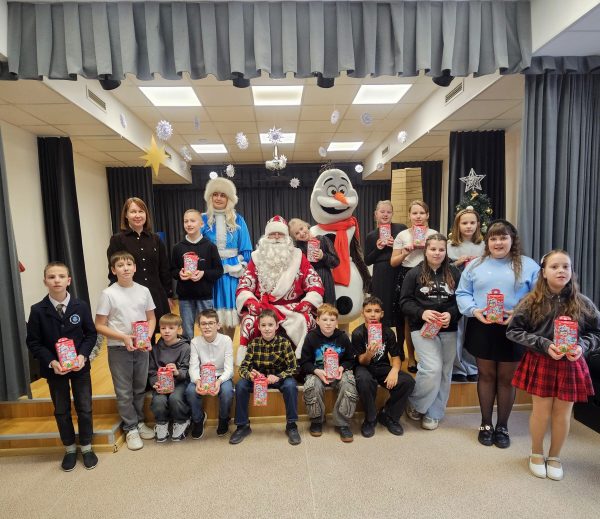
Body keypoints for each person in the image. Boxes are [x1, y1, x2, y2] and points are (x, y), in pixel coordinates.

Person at [507, 250, 599, 480]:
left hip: (571, 364)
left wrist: (582, 346)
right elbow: (513, 331)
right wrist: (544, 344)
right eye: (554, 267)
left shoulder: (582, 302)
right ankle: (536, 453)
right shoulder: (530, 301)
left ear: (571, 271)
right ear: (544, 273)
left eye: (565, 267)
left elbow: (596, 332)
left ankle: (555, 456)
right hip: (542, 362)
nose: (561, 271)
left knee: (563, 413)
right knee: (541, 412)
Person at [456, 220, 539, 449]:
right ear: (487, 242)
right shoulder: (476, 265)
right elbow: (462, 293)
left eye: (503, 237)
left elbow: (538, 296)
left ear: (512, 240)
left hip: (514, 327)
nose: (498, 242)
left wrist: (519, 312)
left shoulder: (528, 265)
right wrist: (474, 310)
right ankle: (485, 424)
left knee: (506, 379)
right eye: (493, 238)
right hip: (482, 325)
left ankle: (502, 426)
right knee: (485, 376)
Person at [26, 262, 98, 471]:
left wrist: (83, 355)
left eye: (61, 276)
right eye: (51, 277)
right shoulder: (37, 310)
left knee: (85, 407)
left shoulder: (80, 306)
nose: (56, 280)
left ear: (69, 280)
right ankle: (69, 448)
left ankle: (86, 446)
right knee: (61, 409)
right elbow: (33, 342)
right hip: (55, 369)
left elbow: (90, 334)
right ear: (45, 281)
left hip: (79, 368)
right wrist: (52, 362)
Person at [236, 216, 324, 361]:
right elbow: (244, 285)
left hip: (292, 307)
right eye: (272, 234)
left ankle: (302, 362)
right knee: (249, 320)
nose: (276, 237)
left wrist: (307, 302)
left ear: (287, 236)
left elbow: (314, 283)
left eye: (280, 234)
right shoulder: (256, 257)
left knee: (305, 319)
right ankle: (253, 362)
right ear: (266, 236)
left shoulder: (298, 257)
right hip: (263, 307)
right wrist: (251, 302)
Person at [95, 251, 157, 451]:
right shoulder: (108, 294)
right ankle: (130, 428)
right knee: (124, 391)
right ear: (113, 270)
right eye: (120, 265)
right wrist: (123, 337)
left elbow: (151, 318)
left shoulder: (144, 291)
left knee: (139, 387)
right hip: (118, 348)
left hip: (141, 347)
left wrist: (147, 336)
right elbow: (99, 325)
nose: (125, 268)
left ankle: (139, 421)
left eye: (129, 264)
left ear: (135, 267)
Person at [400, 234, 461, 430]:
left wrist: (451, 314)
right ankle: (416, 403)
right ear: (425, 250)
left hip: (449, 329)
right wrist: (422, 312)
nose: (437, 253)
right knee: (432, 368)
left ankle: (434, 413)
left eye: (441, 249)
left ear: (446, 251)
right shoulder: (414, 273)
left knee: (445, 371)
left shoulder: (455, 272)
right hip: (422, 328)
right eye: (433, 249)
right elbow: (404, 302)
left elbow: (462, 301)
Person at [230, 309, 301, 446]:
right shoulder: (254, 344)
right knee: (241, 385)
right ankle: (243, 426)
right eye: (263, 325)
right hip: (259, 380)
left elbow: (294, 367)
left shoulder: (284, 343)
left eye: (270, 325)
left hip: (279, 379)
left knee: (291, 385)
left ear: (277, 326)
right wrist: (250, 375)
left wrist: (279, 376)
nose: (267, 328)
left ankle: (291, 426)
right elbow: (243, 368)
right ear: (258, 327)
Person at [352, 296, 415, 438]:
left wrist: (394, 370)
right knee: (364, 380)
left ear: (382, 314)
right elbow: (361, 361)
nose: (372, 314)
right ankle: (371, 418)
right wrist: (369, 354)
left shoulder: (388, 332)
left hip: (382, 366)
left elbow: (396, 356)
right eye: (368, 311)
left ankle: (389, 415)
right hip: (364, 367)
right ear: (362, 314)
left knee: (408, 381)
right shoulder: (357, 333)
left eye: (376, 311)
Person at [107, 197, 172, 335]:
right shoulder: (117, 240)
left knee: (154, 334)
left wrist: (168, 295)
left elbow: (164, 269)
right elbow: (113, 271)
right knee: (134, 335)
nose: (137, 215)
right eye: (133, 212)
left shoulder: (156, 239)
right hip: (129, 296)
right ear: (126, 215)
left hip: (155, 294)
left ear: (146, 214)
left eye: (141, 211)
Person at [391, 200, 438, 372]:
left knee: (430, 315)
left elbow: (441, 256)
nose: (418, 216)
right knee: (408, 319)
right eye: (415, 213)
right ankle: (411, 357)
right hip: (407, 275)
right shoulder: (402, 235)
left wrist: (429, 249)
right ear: (409, 216)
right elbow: (393, 262)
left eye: (422, 213)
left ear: (427, 215)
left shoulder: (434, 234)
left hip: (430, 274)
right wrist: (406, 252)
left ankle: (428, 357)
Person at [201, 177, 252, 336]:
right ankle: (213, 348)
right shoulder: (203, 220)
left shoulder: (238, 220)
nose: (218, 198)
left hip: (231, 274)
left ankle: (228, 346)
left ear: (229, 198)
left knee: (231, 315)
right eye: (215, 194)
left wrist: (241, 266)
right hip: (210, 273)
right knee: (210, 315)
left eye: (222, 195)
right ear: (210, 197)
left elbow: (246, 249)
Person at [300, 303, 357, 442]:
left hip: (338, 372)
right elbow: (304, 363)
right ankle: (317, 420)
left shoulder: (343, 337)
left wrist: (341, 368)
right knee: (311, 386)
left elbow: (350, 360)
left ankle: (342, 423)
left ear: (337, 322)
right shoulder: (311, 337)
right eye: (324, 319)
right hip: (318, 372)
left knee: (349, 384)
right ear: (317, 320)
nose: (328, 323)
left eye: (332, 320)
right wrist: (317, 371)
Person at [171, 208, 223, 340]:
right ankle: (189, 353)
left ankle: (208, 353)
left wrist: (203, 273)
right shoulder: (177, 247)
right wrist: (179, 274)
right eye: (186, 221)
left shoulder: (210, 246)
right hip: (185, 297)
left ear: (201, 224)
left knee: (207, 330)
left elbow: (218, 271)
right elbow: (172, 270)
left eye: (192, 221)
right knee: (187, 332)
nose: (189, 224)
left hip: (204, 296)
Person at [447, 207, 485, 383]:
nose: (468, 226)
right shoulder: (450, 246)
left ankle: (471, 367)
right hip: (455, 293)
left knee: (472, 331)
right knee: (458, 330)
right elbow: (443, 269)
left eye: (472, 223)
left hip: (477, 294)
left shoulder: (484, 246)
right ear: (458, 225)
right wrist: (457, 263)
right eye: (464, 223)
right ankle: (457, 367)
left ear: (478, 224)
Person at [185, 309, 234, 439]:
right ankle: (198, 419)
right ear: (199, 326)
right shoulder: (195, 342)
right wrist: (197, 381)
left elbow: (229, 369)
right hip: (203, 377)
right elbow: (193, 367)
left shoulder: (226, 340)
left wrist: (219, 381)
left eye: (211, 323)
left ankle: (224, 419)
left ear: (218, 325)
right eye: (203, 323)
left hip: (221, 376)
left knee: (227, 391)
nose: (207, 327)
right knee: (190, 391)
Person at [148, 313, 191, 442]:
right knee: (158, 401)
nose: (166, 331)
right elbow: (152, 372)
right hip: (162, 384)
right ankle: (162, 422)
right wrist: (155, 383)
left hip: (180, 382)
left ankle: (182, 421)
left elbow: (187, 371)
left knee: (175, 398)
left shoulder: (186, 347)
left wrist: (177, 372)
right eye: (163, 328)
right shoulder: (155, 349)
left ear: (179, 329)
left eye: (171, 328)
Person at [364, 200, 407, 328]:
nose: (385, 214)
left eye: (389, 212)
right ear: (376, 214)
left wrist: (396, 245)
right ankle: (381, 337)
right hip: (381, 274)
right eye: (382, 211)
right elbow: (367, 260)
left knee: (399, 305)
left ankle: (400, 340)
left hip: (399, 270)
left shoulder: (401, 229)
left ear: (392, 214)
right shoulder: (371, 236)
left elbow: (408, 249)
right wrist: (378, 248)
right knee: (381, 305)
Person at [288, 218, 339, 305]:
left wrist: (323, 256)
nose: (301, 233)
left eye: (301, 228)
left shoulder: (323, 240)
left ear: (306, 226)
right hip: (308, 283)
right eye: (297, 233)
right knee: (311, 307)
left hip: (325, 278)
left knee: (328, 308)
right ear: (295, 238)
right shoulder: (297, 249)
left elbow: (336, 262)